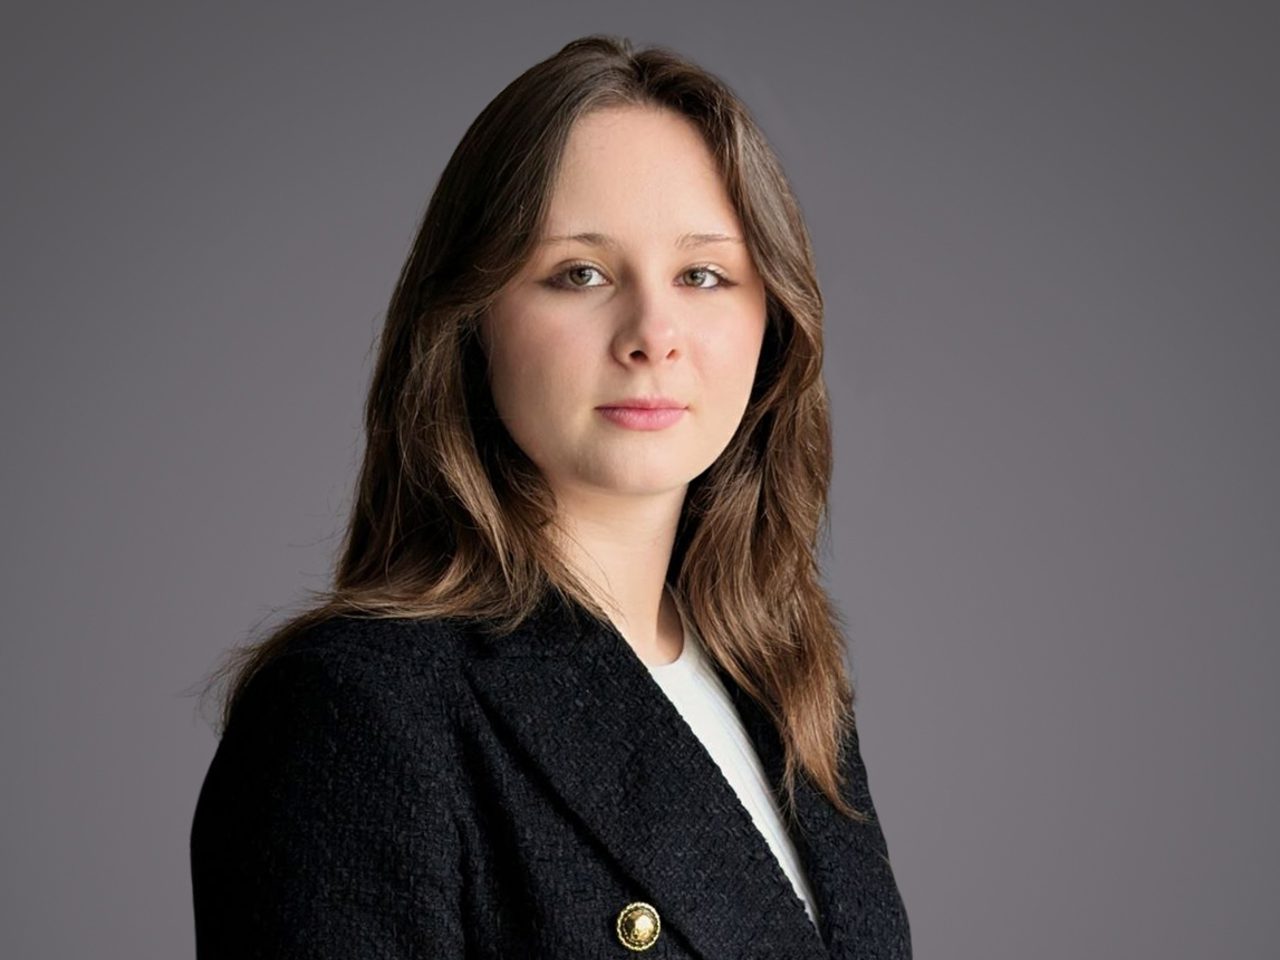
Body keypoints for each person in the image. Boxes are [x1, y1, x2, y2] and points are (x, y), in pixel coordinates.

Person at [189, 33, 912, 959]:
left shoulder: (792, 691)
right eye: (581, 274)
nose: (653, 333)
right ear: (470, 320)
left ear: (772, 323)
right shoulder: (360, 708)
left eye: (703, 275)